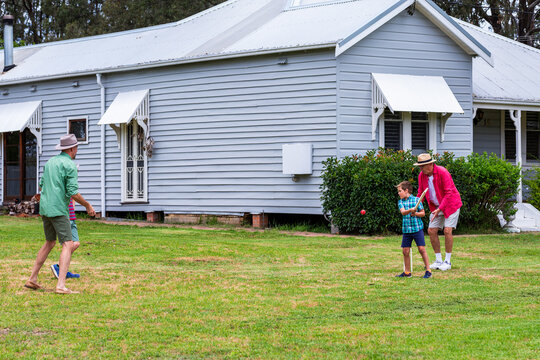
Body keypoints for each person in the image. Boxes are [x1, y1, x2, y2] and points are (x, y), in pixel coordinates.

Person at [24, 134, 95, 294]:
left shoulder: (50, 162)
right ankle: (61, 285)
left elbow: (41, 186)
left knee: (50, 242)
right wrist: (87, 205)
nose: (77, 150)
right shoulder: (69, 165)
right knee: (68, 244)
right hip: (58, 209)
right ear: (71, 148)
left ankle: (32, 279)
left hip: (45, 208)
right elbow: (73, 193)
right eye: (76, 147)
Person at [414, 153, 462, 271]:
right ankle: (438, 260)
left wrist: (440, 208)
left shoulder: (442, 172)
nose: (421, 169)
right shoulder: (422, 175)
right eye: (420, 166)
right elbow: (421, 193)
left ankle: (447, 261)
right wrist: (415, 206)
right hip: (436, 207)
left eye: (422, 166)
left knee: (447, 230)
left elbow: (449, 193)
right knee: (431, 230)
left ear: (430, 164)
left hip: (451, 204)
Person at [395, 181, 432, 279]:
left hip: (417, 229)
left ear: (406, 190)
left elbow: (423, 213)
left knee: (421, 249)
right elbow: (403, 212)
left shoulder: (416, 200)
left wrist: (415, 214)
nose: (399, 193)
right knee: (405, 251)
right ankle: (407, 272)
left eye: (400, 191)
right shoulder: (400, 202)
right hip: (406, 230)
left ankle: (428, 270)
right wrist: (410, 210)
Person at [50, 198, 81, 279]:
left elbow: (73, 196)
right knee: (67, 245)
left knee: (76, 243)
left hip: (71, 217)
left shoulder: (70, 186)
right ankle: (61, 270)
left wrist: (72, 209)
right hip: (64, 217)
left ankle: (60, 267)